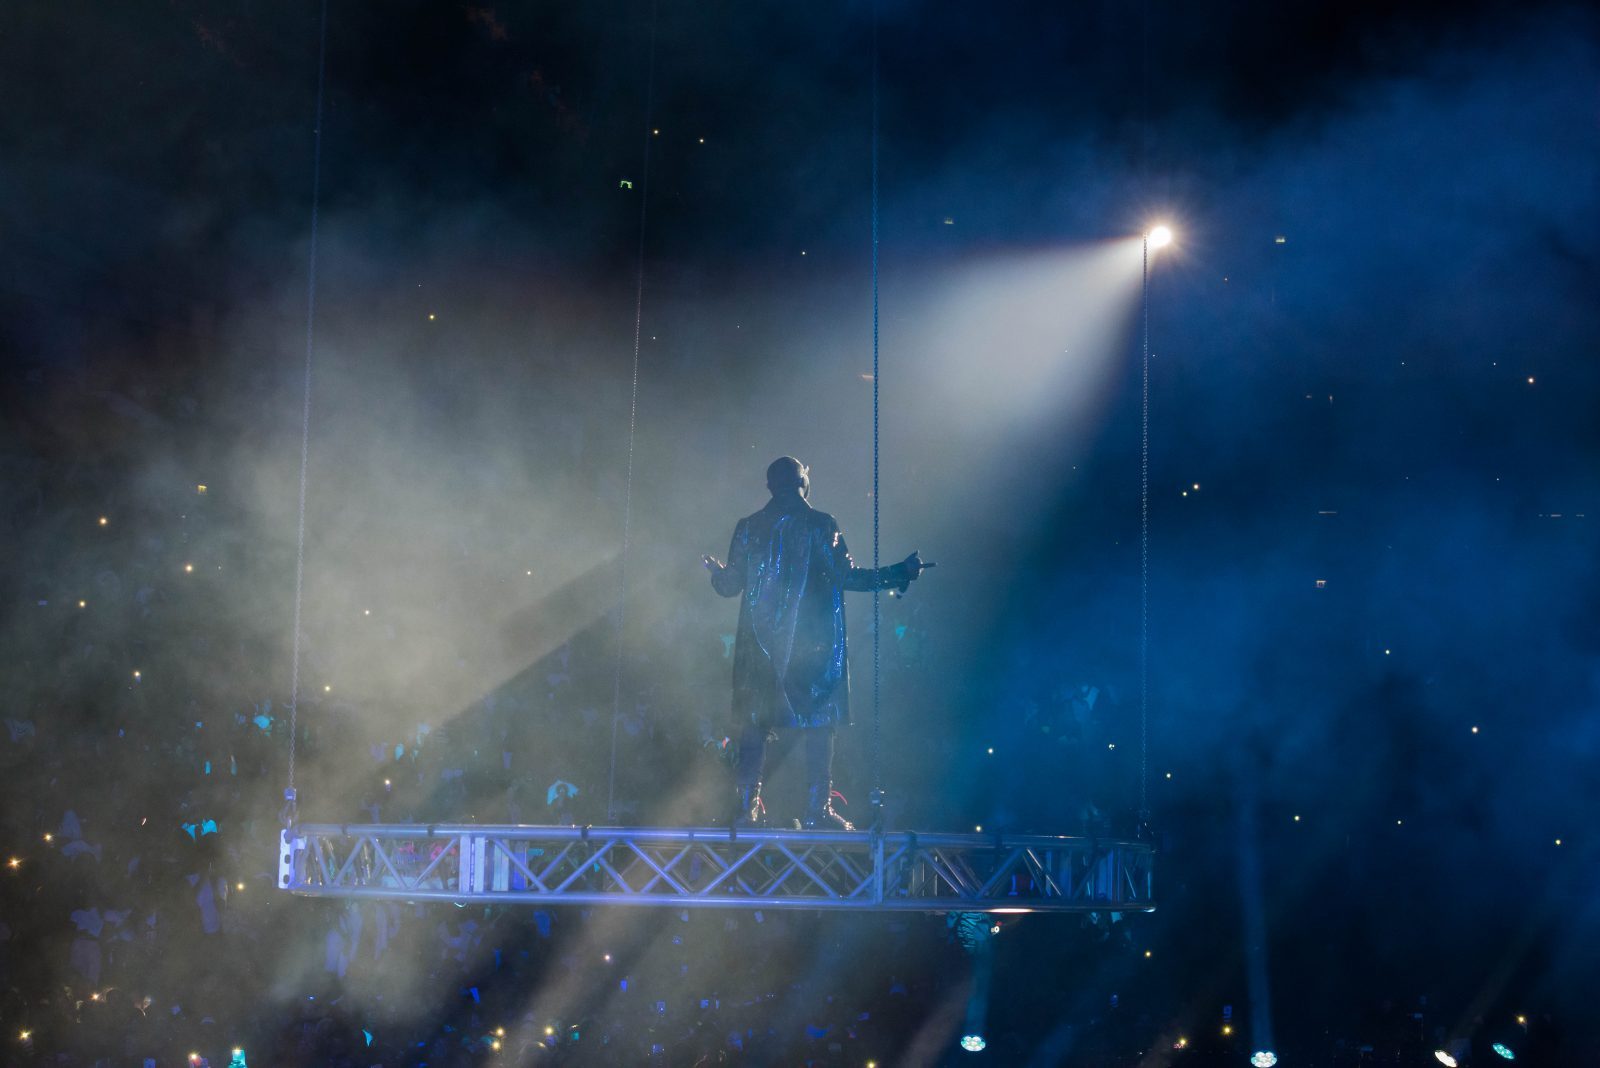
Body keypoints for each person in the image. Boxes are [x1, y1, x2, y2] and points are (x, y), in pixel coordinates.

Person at [703, 456, 927, 830]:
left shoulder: (748, 528)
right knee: (820, 724)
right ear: (803, 482)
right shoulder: (821, 524)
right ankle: (816, 810)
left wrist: (715, 573)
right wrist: (898, 574)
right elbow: (847, 577)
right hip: (814, 647)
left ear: (771, 487)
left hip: (760, 648)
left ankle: (746, 809)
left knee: (754, 725)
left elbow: (729, 587)